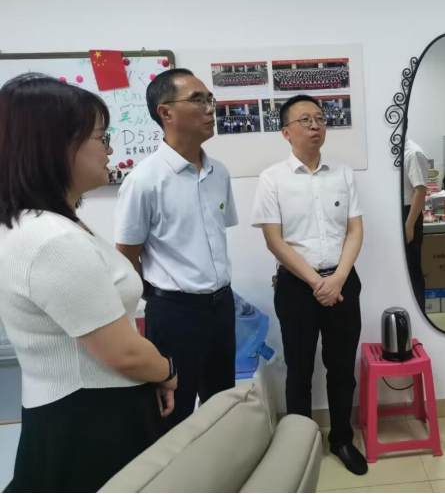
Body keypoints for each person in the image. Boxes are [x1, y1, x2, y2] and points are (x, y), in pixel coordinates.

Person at [0, 73, 177, 493]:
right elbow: (122, 352)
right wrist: (168, 371)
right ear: (57, 146)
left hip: (85, 406)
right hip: (91, 420)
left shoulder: (43, 224)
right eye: (101, 137)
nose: (110, 149)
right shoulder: (52, 240)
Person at [115, 68, 239, 432]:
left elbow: (216, 235)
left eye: (210, 99)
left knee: (222, 405)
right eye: (197, 99)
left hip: (222, 306)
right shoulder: (144, 180)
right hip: (175, 314)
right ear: (165, 112)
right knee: (174, 414)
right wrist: (160, 298)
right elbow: (126, 257)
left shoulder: (219, 173)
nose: (210, 108)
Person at [252, 95, 368, 476]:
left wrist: (338, 279)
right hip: (297, 287)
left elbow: (355, 230)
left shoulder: (343, 173)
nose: (315, 125)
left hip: (343, 282)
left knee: (341, 367)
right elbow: (274, 240)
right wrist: (318, 282)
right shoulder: (272, 178)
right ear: (286, 132)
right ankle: (299, 446)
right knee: (299, 370)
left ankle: (342, 439)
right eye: (305, 120)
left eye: (320, 118)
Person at [403, 138, 430, 313]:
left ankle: (419, 312)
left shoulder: (413, 153)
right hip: (398, 212)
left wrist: (409, 225)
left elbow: (420, 191)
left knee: (412, 269)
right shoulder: (393, 153)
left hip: (408, 214)